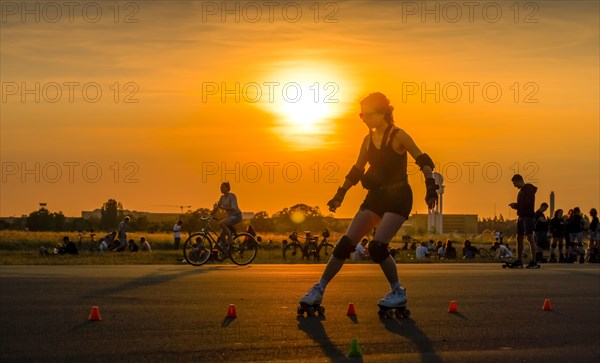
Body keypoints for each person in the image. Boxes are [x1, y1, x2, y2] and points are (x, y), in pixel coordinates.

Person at [298, 92, 438, 312]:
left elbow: (424, 160)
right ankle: (319, 289)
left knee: (377, 247)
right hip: (376, 197)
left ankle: (397, 292)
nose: (364, 119)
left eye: (368, 114)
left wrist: (431, 188)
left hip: (399, 196)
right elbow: (357, 170)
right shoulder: (367, 140)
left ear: (382, 113)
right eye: (361, 115)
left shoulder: (399, 135)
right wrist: (340, 194)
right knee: (345, 244)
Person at [509, 174, 540, 268]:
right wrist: (517, 206)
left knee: (530, 238)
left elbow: (528, 204)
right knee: (519, 238)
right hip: (521, 216)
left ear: (519, 181)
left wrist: (516, 206)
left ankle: (534, 261)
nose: (514, 186)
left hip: (528, 217)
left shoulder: (528, 189)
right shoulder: (522, 191)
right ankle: (519, 260)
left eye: (514, 183)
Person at [210, 182, 242, 247]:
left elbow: (233, 208)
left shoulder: (232, 196)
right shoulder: (222, 197)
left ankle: (230, 239)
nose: (221, 189)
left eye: (222, 187)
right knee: (221, 236)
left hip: (237, 216)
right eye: (220, 187)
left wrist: (223, 208)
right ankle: (226, 250)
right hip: (230, 217)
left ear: (227, 188)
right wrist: (209, 215)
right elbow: (217, 207)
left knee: (221, 223)